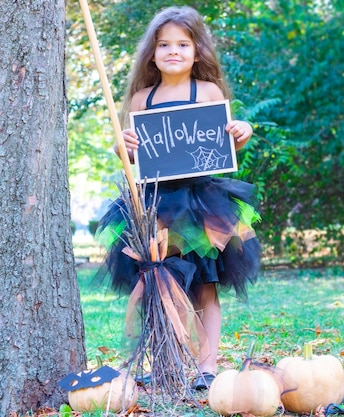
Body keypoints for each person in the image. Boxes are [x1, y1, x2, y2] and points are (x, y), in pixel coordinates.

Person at [96, 6, 261, 391]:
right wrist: (124, 148)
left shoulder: (207, 92)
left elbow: (226, 136)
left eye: (183, 44)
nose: (173, 51)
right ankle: (167, 361)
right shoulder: (142, 99)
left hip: (201, 204)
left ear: (197, 51)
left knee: (205, 286)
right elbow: (132, 153)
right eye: (164, 44)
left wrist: (243, 129)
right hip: (156, 205)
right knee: (162, 285)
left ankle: (206, 366)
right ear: (151, 54)